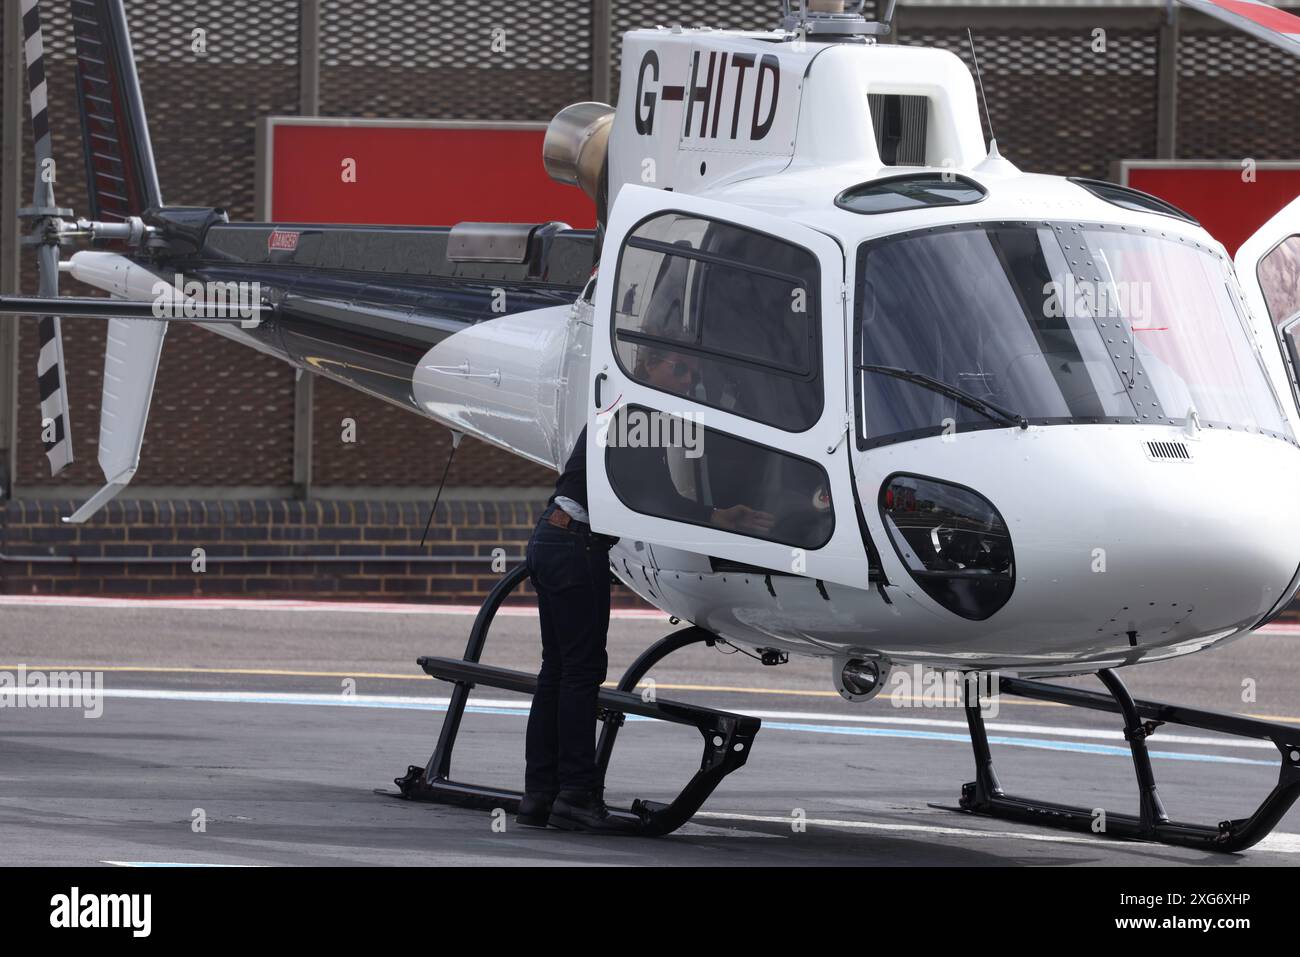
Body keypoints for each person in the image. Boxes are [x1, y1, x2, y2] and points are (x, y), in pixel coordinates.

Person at [518, 425, 637, 833]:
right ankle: (576, 795)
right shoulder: (642, 416)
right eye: (682, 370)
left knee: (556, 670)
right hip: (576, 544)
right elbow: (659, 494)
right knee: (581, 674)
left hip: (551, 536)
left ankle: (539, 794)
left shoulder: (610, 411)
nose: (689, 379)